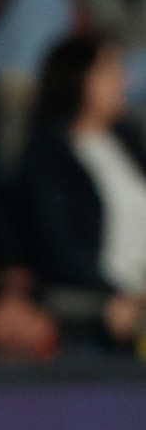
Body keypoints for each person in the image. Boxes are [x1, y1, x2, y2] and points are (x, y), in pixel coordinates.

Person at [13, 30, 146, 354]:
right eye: (110, 70)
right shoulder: (49, 152)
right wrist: (113, 295)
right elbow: (57, 243)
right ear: (79, 78)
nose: (122, 81)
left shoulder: (129, 140)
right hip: (92, 302)